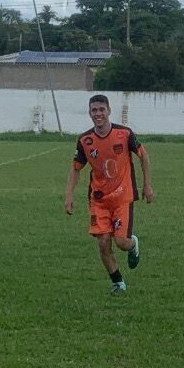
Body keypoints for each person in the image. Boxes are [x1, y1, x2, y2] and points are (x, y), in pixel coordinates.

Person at [64, 94, 154, 294]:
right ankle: (118, 283)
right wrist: (69, 195)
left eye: (101, 109)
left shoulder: (124, 134)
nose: (98, 114)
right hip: (99, 200)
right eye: (94, 110)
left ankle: (133, 244)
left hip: (123, 197)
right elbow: (76, 168)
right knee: (103, 243)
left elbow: (143, 156)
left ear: (109, 111)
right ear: (89, 113)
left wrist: (147, 186)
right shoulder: (85, 140)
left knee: (121, 242)